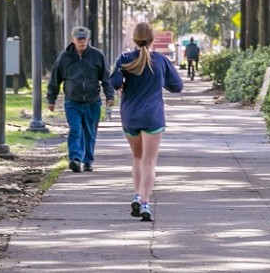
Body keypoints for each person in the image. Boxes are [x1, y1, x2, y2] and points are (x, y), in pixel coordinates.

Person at [109, 22, 184, 222]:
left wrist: (123, 83)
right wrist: (160, 81)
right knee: (149, 162)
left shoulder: (124, 59)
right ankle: (145, 202)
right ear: (153, 39)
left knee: (137, 157)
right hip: (153, 116)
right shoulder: (160, 60)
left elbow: (113, 83)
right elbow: (177, 86)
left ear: (134, 39)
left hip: (130, 115)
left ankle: (136, 194)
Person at [47, 26, 115, 173]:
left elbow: (106, 78)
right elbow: (55, 78)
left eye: (84, 39)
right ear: (73, 40)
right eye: (79, 39)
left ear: (88, 40)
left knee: (89, 132)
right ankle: (76, 159)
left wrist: (109, 96)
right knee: (76, 130)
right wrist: (51, 99)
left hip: (92, 101)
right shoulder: (65, 57)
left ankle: (88, 161)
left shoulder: (96, 55)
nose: (82, 41)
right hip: (73, 101)